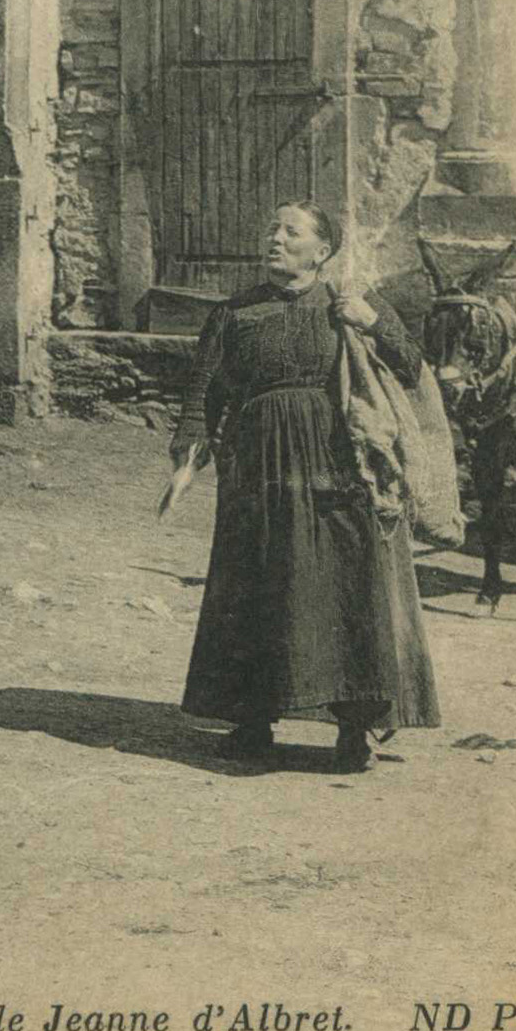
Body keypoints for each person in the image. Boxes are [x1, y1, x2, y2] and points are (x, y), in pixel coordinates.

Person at [170, 200, 439, 771]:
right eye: (272, 227)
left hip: (336, 463)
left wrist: (374, 321)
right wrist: (187, 461)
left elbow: (412, 368)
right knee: (256, 583)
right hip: (256, 468)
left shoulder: (346, 306)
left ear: (322, 251)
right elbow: (203, 396)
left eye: (291, 232)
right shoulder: (233, 314)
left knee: (349, 587)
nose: (275, 238)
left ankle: (354, 731)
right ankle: (250, 724)